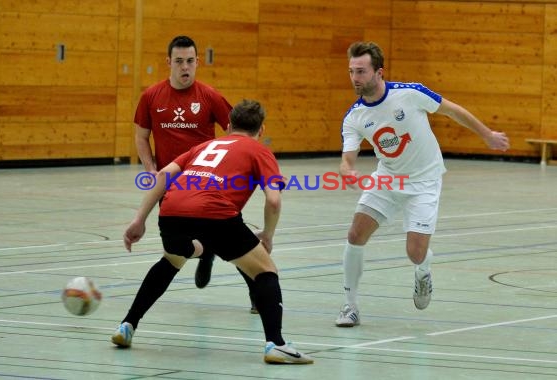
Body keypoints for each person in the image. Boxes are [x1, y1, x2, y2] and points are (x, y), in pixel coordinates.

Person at [112, 99, 314, 364]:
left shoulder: (204, 146)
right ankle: (276, 344)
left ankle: (128, 325)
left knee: (171, 261)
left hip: (172, 212)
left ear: (228, 126)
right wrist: (267, 235)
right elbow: (274, 200)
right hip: (215, 214)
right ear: (261, 130)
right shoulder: (258, 150)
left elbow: (163, 175)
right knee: (265, 272)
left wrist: (139, 220)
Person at [335, 41, 510, 327]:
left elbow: (453, 111)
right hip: (388, 177)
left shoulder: (410, 93)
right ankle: (349, 306)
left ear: (379, 72)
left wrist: (487, 134)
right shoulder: (355, 116)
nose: (355, 78)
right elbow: (348, 159)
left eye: (361, 71)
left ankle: (423, 270)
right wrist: (347, 169)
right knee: (355, 235)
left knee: (415, 253)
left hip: (425, 180)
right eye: (352, 71)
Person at [133, 35, 257, 312]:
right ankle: (205, 251)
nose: (185, 67)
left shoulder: (210, 96)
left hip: (206, 182)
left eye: (190, 61)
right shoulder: (150, 96)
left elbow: (237, 134)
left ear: (197, 62)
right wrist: (151, 170)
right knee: (174, 247)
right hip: (172, 184)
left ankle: (255, 295)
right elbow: (141, 137)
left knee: (235, 242)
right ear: (169, 62)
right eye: (179, 62)